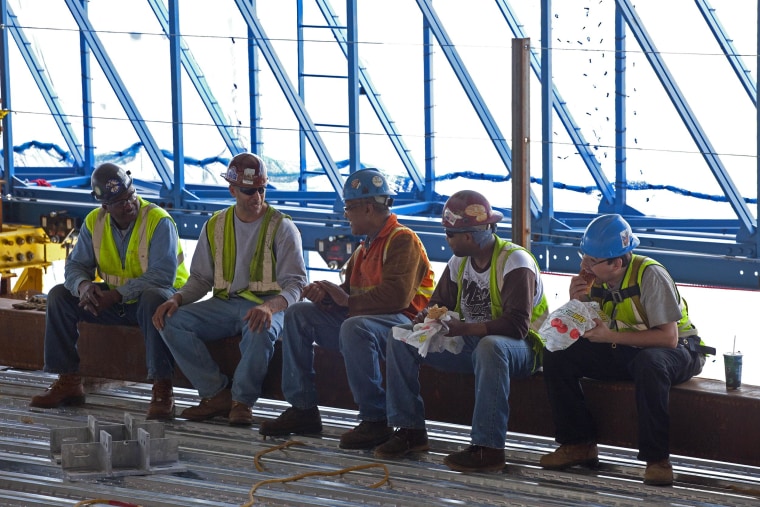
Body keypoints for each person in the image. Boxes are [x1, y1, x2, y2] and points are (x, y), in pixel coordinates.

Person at [259, 168, 435, 449]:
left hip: (401, 325)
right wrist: (327, 297)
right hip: (367, 323)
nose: (346, 214)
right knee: (298, 314)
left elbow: (398, 298)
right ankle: (303, 408)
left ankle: (375, 419)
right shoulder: (364, 248)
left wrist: (346, 301)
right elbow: (350, 295)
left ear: (367, 208)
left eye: (349, 207)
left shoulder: (402, 240)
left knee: (355, 326)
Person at [373, 190, 549, 472]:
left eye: (450, 234)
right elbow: (439, 302)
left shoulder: (514, 262)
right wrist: (426, 317)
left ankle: (488, 448)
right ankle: (409, 430)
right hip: (475, 344)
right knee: (401, 337)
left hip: (522, 350)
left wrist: (464, 328)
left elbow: (517, 326)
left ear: (468, 236)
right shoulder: (460, 262)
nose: (447, 239)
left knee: (490, 346)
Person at [539, 214, 714, 486]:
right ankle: (577, 443)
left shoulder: (650, 275)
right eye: (583, 257)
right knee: (557, 352)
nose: (584, 265)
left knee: (650, 363)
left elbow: (668, 338)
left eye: (592, 261)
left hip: (679, 351)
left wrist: (610, 336)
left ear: (616, 263)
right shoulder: (597, 279)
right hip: (627, 347)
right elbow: (593, 324)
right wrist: (579, 301)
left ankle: (657, 460)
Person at [152, 152, 307, 426]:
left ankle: (242, 402)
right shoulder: (216, 225)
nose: (257, 197)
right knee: (170, 321)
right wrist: (176, 299)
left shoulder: (283, 227)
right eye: (249, 191)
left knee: (260, 328)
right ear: (233, 190)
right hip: (226, 304)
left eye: (261, 189)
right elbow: (201, 278)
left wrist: (269, 307)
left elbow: (296, 285)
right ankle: (215, 394)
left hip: (268, 306)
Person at [29, 163, 189, 421]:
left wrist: (115, 295)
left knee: (154, 298)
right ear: (105, 205)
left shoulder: (158, 221)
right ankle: (68, 380)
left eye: (130, 196)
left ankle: (163, 388)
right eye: (119, 201)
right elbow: (75, 266)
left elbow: (162, 276)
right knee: (59, 296)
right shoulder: (95, 222)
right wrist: (84, 287)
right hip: (116, 302)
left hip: (162, 304)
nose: (128, 204)